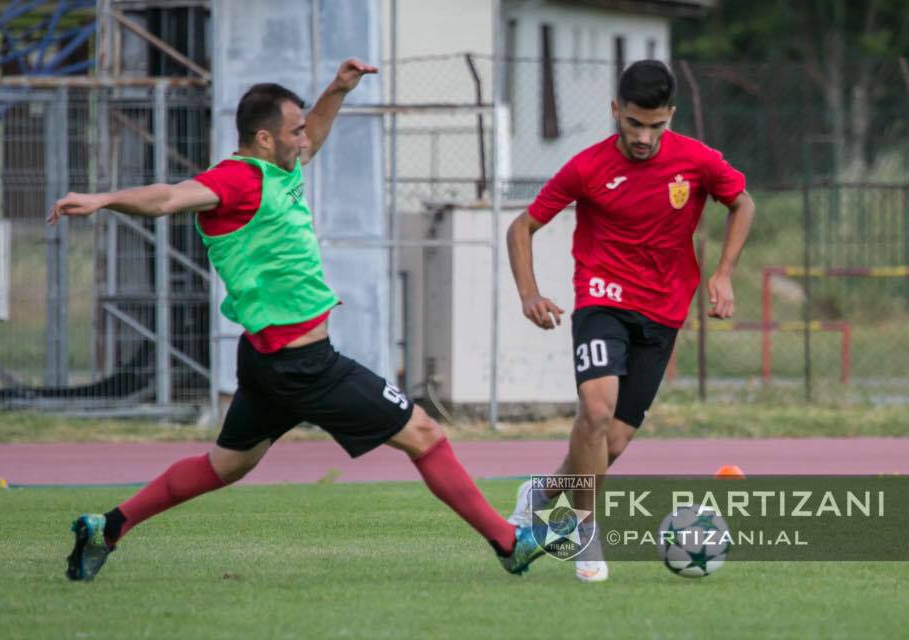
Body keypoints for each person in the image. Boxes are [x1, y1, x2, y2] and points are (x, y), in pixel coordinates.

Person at [50, 59, 544, 581]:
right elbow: (171, 197)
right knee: (424, 434)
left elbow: (318, 133)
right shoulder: (237, 180)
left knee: (227, 465)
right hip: (304, 366)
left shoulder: (279, 169)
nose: (305, 138)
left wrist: (337, 90)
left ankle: (107, 527)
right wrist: (104, 199)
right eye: (294, 131)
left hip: (269, 363)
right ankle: (510, 542)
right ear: (264, 138)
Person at [505, 60, 754, 582]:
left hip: (663, 311)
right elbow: (522, 226)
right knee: (595, 413)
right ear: (616, 111)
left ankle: (543, 492)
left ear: (671, 116)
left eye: (656, 126)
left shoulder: (697, 161)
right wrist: (529, 293)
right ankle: (585, 531)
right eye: (634, 123)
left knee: (610, 444)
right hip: (601, 298)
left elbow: (743, 203)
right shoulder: (587, 167)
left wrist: (725, 273)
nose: (644, 137)